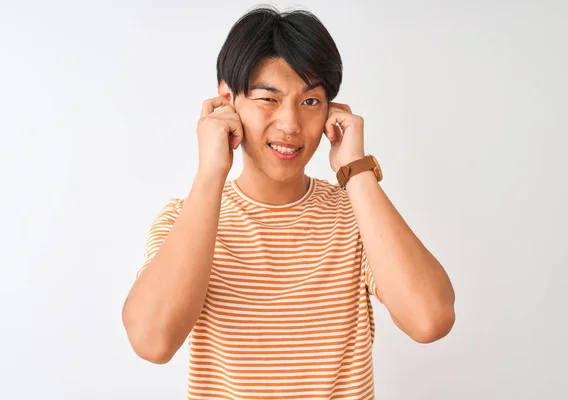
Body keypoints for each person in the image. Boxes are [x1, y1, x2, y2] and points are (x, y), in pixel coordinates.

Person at [122, 5, 455, 399]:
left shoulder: (358, 214)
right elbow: (152, 342)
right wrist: (211, 172)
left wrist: (356, 171)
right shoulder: (185, 216)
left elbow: (430, 320)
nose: (291, 125)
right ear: (228, 100)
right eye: (268, 99)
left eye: (310, 102)